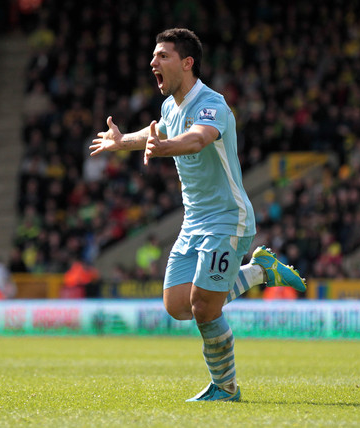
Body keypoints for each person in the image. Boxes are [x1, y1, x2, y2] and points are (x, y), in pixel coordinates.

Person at [89, 28, 305, 402]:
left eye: (163, 56)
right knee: (177, 306)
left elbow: (198, 138)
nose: (152, 63)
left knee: (204, 307)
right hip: (194, 222)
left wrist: (164, 147)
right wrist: (122, 141)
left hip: (227, 219)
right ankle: (259, 271)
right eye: (153, 56)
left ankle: (225, 386)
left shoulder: (211, 103)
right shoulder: (169, 107)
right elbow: (160, 131)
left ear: (187, 63)